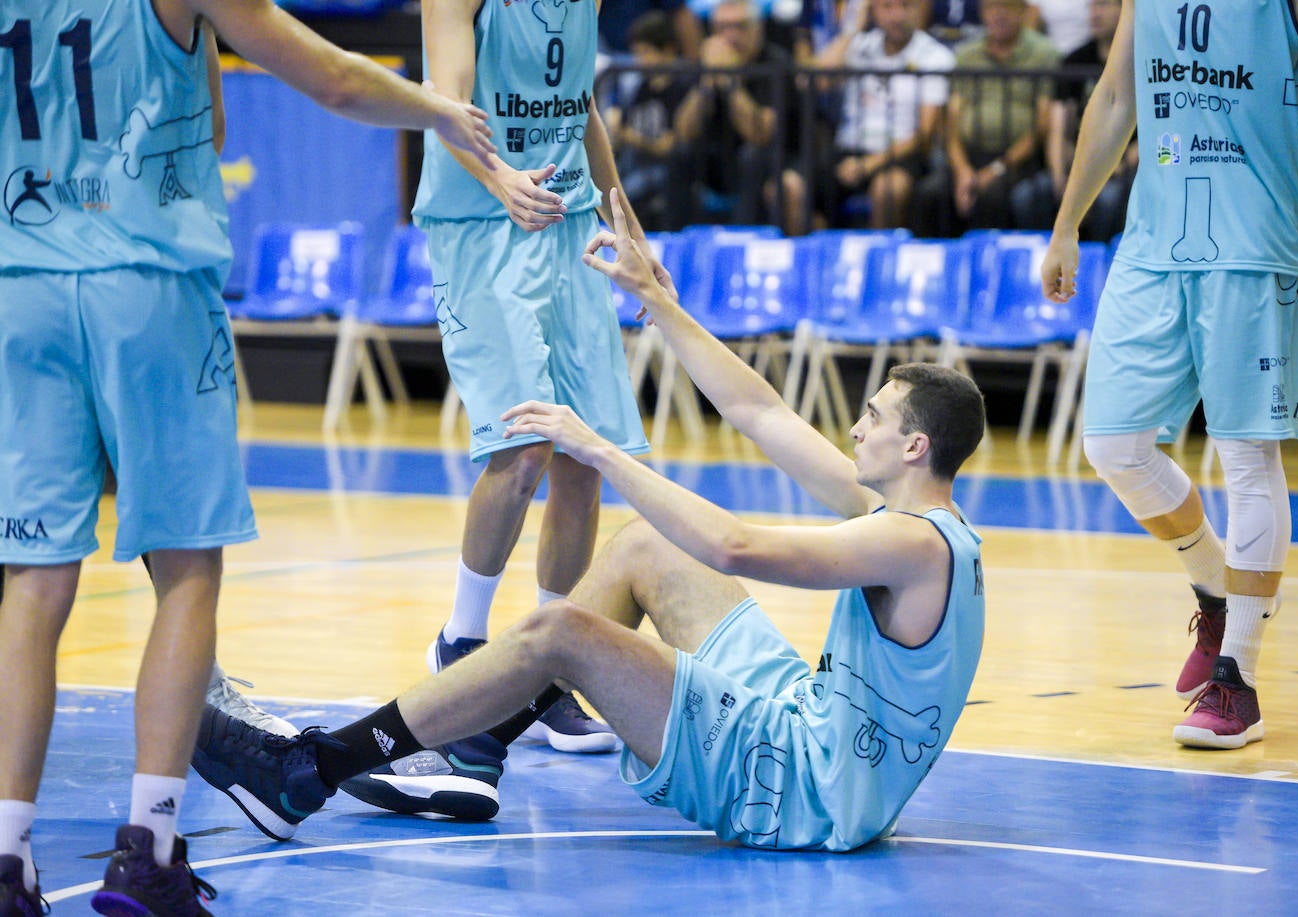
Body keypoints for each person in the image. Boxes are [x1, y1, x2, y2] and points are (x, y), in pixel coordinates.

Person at [192, 187, 988, 854]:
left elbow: (732, 544)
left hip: (799, 790)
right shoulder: (917, 516)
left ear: (914, 445)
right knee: (643, 548)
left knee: (560, 631)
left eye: (873, 417)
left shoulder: (908, 543)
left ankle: (308, 772)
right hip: (812, 734)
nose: (854, 428)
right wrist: (657, 302)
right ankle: (474, 747)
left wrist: (600, 450)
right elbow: (760, 407)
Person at [0, 0, 496, 914]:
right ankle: (148, 849)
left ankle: (5, 856)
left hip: (21, 284)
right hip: (145, 283)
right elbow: (334, 78)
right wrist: (438, 108)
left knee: (32, 584)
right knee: (188, 572)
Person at [1041, 0, 1298, 748]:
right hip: (1153, 241)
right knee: (1114, 445)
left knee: (1247, 455)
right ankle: (1217, 588)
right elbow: (1118, 96)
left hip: (1259, 239)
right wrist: (1066, 225)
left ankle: (1238, 680)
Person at [383, 0, 673, 824]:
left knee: (587, 457)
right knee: (523, 452)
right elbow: (446, 102)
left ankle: (549, 669)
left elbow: (579, 107)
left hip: (569, 222)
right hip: (482, 222)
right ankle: (463, 642)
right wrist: (499, 177)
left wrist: (628, 223)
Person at [912, 0, 1060, 235]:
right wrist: (962, 170)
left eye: (1006, 7)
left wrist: (997, 168)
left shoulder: (1044, 54)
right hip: (969, 157)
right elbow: (951, 122)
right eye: (991, 7)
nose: (998, 14)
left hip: (1017, 162)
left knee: (992, 197)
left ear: (1022, 11)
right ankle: (933, 267)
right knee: (930, 194)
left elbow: (1042, 125)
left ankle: (987, 268)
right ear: (981, 12)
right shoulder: (967, 55)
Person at [674, 0, 819, 234]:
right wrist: (705, 85)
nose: (730, 36)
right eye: (722, 28)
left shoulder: (776, 63)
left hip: (775, 158)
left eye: (739, 27)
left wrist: (730, 84)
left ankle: (745, 239)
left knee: (752, 156)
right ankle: (670, 242)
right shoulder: (706, 63)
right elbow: (683, 131)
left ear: (757, 29)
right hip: (719, 161)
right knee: (681, 154)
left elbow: (761, 134)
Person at [812, 0, 955, 229]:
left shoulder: (935, 56)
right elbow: (818, 80)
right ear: (872, 11)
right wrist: (853, 29)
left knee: (887, 189)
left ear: (919, 9)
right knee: (790, 186)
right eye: (887, 6)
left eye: (905, 6)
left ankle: (880, 262)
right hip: (849, 149)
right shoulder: (859, 45)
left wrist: (868, 164)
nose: (897, 15)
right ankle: (813, 260)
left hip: (902, 154)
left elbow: (925, 133)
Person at [1014, 0, 1134, 237]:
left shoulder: (1141, 60)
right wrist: (1061, 178)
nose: (1094, 13)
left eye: (1103, 5)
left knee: (1110, 200)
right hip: (1079, 162)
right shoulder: (1075, 61)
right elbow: (1057, 130)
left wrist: (1121, 161)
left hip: (1122, 168)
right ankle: (1046, 262)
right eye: (1091, 6)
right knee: (1028, 195)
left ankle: (1101, 262)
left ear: (1125, 9)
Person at [603, 12, 695, 231]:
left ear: (668, 50)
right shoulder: (641, 88)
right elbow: (621, 137)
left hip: (669, 171)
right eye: (636, 54)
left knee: (626, 191)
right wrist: (613, 132)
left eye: (646, 52)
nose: (639, 61)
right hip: (636, 166)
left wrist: (626, 135)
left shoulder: (683, 85)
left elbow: (668, 145)